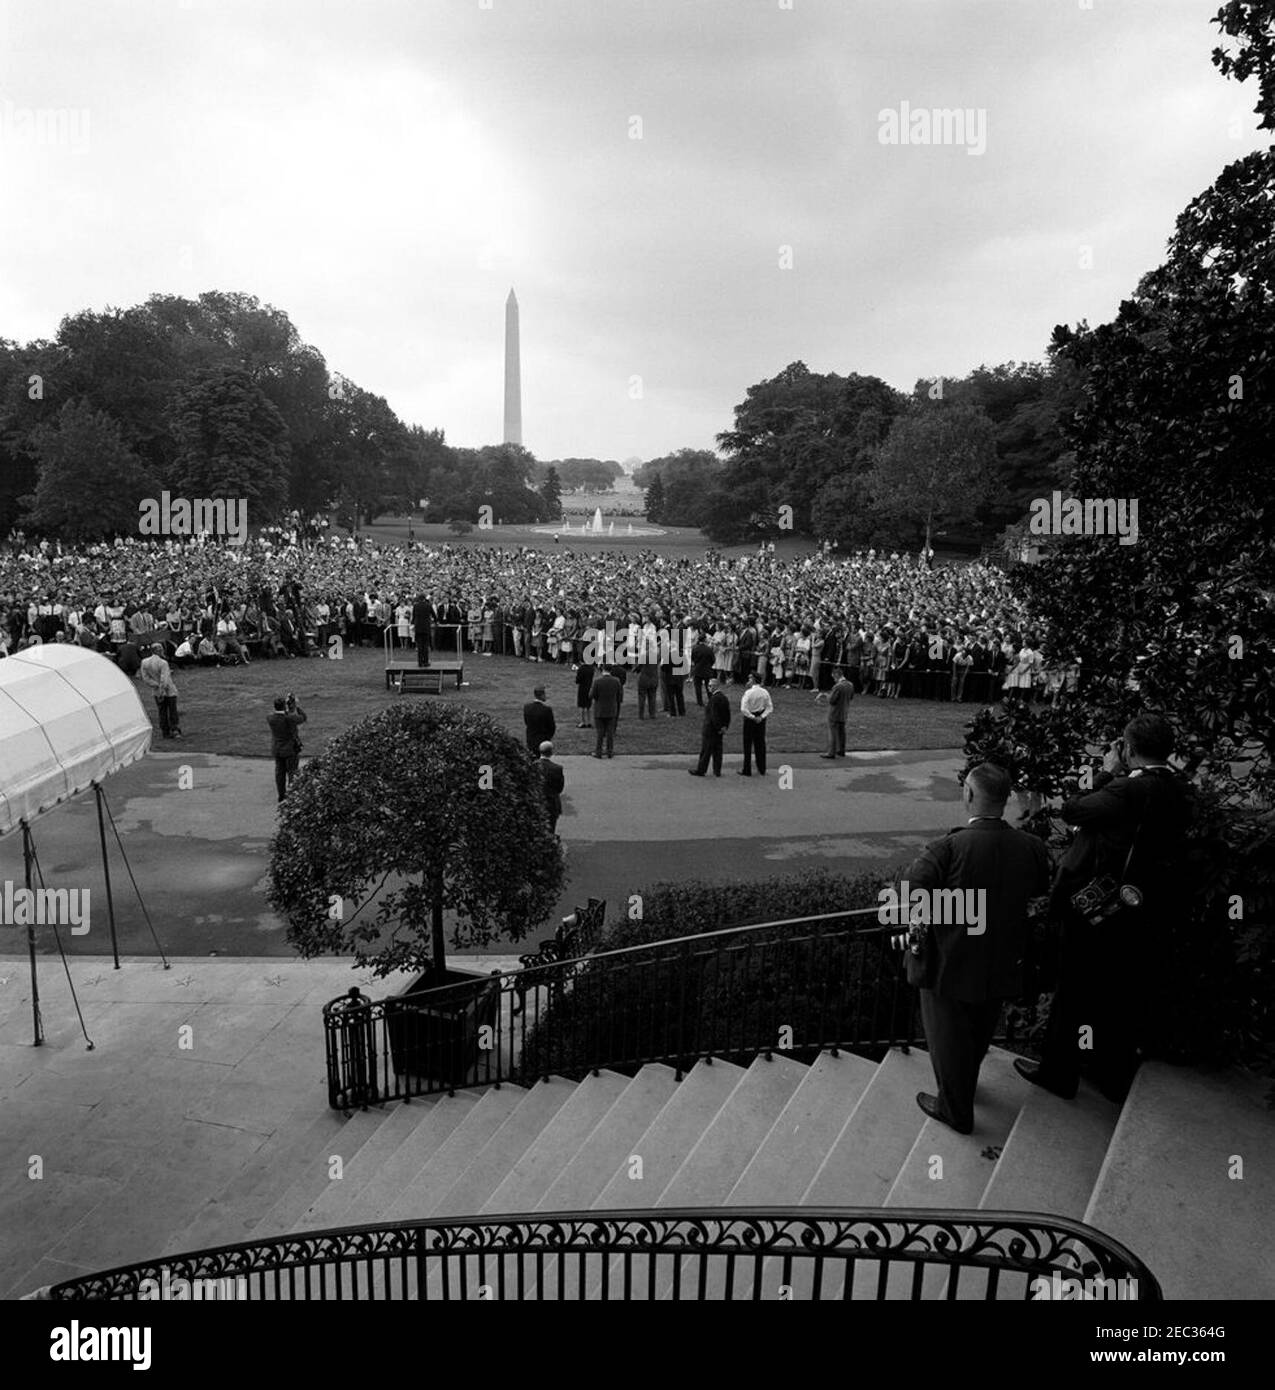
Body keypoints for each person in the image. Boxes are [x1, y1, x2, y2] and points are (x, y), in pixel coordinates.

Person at [1016, 713, 1190, 1103]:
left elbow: (1074, 809)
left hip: (1097, 907)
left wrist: (1108, 772)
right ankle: (1110, 1074)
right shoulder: (1177, 790)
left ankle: (1059, 1072)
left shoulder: (1127, 790)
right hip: (1141, 906)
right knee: (1119, 993)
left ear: (1128, 749)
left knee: (1073, 990)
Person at [901, 762, 1052, 1133]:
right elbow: (1036, 889)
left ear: (969, 795)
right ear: (1006, 798)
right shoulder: (1030, 847)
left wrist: (959, 912)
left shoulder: (947, 848)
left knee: (947, 1037)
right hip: (1003, 959)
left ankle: (955, 1109)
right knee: (981, 1029)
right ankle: (965, 1086)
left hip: (950, 962)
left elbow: (912, 894)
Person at [267, 693, 307, 803]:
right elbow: (303, 718)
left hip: (277, 749)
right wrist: (295, 707)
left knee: (279, 772)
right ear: (284, 706)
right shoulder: (289, 718)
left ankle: (281, 795)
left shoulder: (270, 718)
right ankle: (292, 795)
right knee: (292, 772)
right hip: (290, 749)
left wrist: (288, 709)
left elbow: (283, 716)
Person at [689, 676, 731, 777]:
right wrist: (724, 727)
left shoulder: (713, 699)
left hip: (711, 729)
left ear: (715, 686)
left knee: (706, 751)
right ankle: (717, 770)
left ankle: (701, 770)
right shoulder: (724, 698)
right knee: (717, 751)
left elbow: (714, 716)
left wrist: (718, 727)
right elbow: (727, 714)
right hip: (719, 730)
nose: (708, 687)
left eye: (710, 685)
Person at [140, 642, 182, 739]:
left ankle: (165, 731)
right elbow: (165, 678)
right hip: (168, 691)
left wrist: (155, 685)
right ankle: (174, 729)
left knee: (162, 711)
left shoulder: (145, 662)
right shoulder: (163, 663)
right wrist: (162, 689)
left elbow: (145, 678)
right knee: (172, 711)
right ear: (159, 651)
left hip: (155, 690)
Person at [738, 671, 773, 777]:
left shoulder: (748, 693)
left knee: (747, 744)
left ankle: (747, 769)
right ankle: (762, 768)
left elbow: (744, 709)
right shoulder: (765, 692)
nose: (748, 681)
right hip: (761, 719)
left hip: (750, 719)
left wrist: (752, 717)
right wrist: (761, 717)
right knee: (760, 744)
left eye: (749, 679)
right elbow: (770, 707)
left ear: (753, 680)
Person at [821, 668, 855, 758]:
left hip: (835, 712)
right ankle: (841, 750)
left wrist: (826, 695)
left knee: (832, 732)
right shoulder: (850, 685)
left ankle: (831, 752)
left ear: (836, 675)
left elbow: (832, 700)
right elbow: (851, 697)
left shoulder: (838, 686)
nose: (833, 679)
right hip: (844, 711)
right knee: (841, 732)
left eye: (834, 677)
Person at [590, 666, 622, 758]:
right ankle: (610, 751)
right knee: (610, 732)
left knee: (600, 732)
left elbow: (591, 695)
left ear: (602, 670)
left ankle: (598, 751)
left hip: (600, 709)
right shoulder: (616, 681)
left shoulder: (597, 681)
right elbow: (619, 695)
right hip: (611, 709)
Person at [536, 740, 565, 833]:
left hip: (537, 802)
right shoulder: (557, 768)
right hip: (552, 802)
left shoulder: (533, 766)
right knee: (551, 828)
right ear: (551, 752)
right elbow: (560, 788)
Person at [523, 686, 556, 754]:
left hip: (531, 739)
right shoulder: (546, 710)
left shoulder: (527, 708)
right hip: (543, 740)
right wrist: (548, 737)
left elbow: (526, 722)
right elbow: (552, 727)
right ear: (542, 695)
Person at [411, 593, 433, 667]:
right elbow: (433, 614)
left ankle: (420, 662)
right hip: (426, 627)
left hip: (418, 627)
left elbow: (413, 616)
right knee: (425, 646)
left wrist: (412, 623)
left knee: (419, 646)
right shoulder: (428, 605)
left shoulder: (415, 606)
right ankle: (426, 662)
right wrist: (436, 621)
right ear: (424, 599)